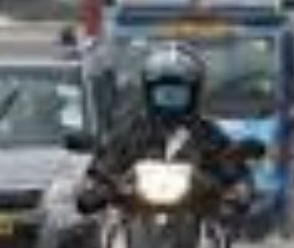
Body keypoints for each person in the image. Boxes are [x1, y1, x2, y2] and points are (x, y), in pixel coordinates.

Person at [79, 43, 250, 213]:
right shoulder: (133, 130)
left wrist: (235, 184)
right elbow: (109, 158)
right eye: (164, 94)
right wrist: (98, 186)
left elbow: (228, 161)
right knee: (107, 224)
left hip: (195, 211)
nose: (170, 100)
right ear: (149, 92)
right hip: (135, 212)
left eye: (177, 94)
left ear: (194, 93)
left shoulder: (206, 132)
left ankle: (214, 236)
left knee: (222, 223)